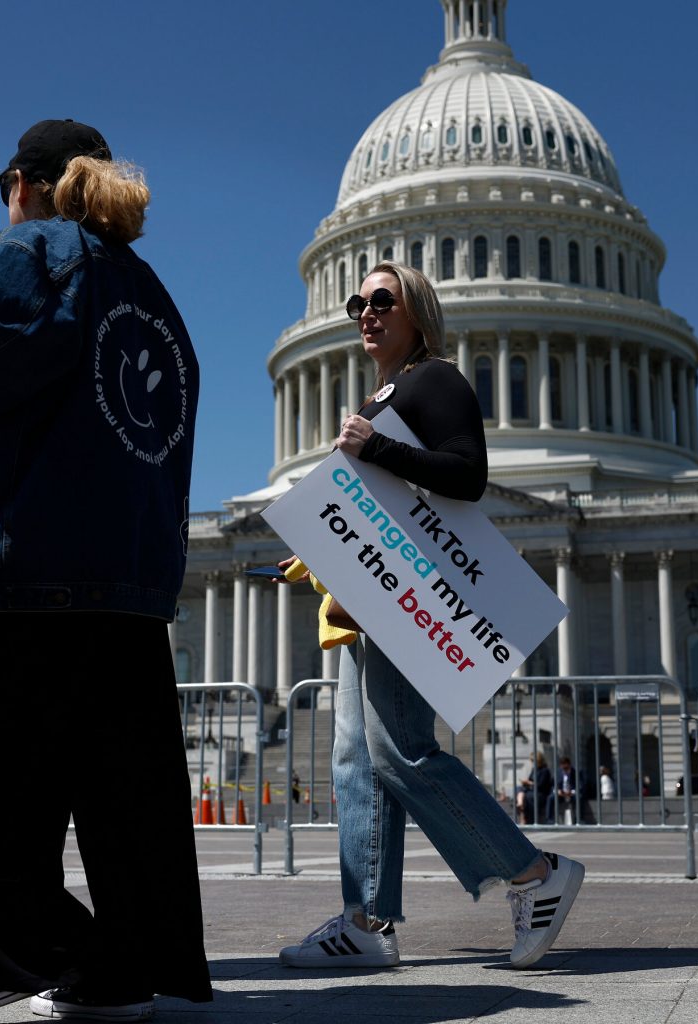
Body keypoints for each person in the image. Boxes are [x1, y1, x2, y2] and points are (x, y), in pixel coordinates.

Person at [0, 119, 211, 1021]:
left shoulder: (38, 251)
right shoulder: (151, 295)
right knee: (118, 805)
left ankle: (64, 956)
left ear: (25, 185)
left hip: (21, 580)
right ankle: (119, 970)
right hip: (127, 589)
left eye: (4, 191)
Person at [277, 262, 584, 971]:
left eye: (382, 301)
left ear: (417, 313)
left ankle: (534, 873)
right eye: (358, 302)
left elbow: (467, 475)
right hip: (370, 596)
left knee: (398, 750)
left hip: (405, 600)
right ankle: (366, 922)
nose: (365, 312)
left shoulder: (434, 380)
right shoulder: (386, 391)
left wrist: (373, 446)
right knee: (355, 760)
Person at [515, 752, 553, 825]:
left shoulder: (545, 770)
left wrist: (530, 783)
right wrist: (525, 782)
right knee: (518, 788)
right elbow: (530, 779)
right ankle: (520, 804)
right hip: (531, 789)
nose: (533, 763)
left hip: (540, 792)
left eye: (534, 761)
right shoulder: (534, 769)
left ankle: (524, 815)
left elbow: (541, 785)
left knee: (528, 796)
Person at [556, 756, 578, 824]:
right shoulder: (558, 772)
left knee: (578, 798)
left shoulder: (575, 772)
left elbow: (580, 785)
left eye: (565, 765)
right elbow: (554, 784)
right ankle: (551, 819)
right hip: (561, 793)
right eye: (562, 765)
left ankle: (579, 819)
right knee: (551, 798)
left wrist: (572, 792)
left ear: (569, 764)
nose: (564, 768)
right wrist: (558, 791)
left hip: (572, 793)